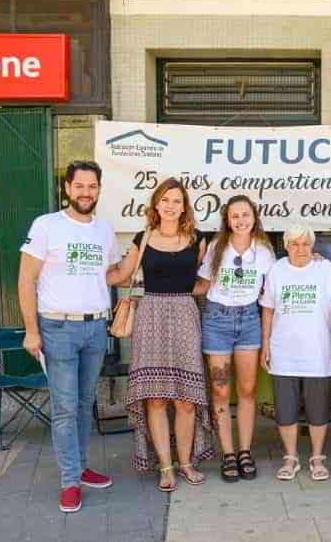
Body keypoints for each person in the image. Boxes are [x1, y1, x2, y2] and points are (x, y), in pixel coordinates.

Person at [19, 161, 119, 513]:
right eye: (79, 186)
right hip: (57, 328)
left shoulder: (105, 230)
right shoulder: (47, 225)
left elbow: (108, 275)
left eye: (92, 187)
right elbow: (26, 279)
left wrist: (142, 249)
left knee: (83, 401)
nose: (86, 193)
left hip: (95, 327)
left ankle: (80, 467)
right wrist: (32, 330)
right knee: (64, 408)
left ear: (99, 190)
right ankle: (69, 482)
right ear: (67, 188)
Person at [111, 178, 214, 492]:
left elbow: (205, 281)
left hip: (184, 315)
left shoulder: (199, 240)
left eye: (177, 201)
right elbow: (121, 275)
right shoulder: (142, 239)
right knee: (155, 398)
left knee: (185, 400)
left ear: (184, 207)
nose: (171, 205)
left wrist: (182, 292)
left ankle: (185, 462)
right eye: (165, 200)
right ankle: (166, 467)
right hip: (150, 315)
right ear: (156, 204)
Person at [194, 195, 275, 483]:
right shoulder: (217, 247)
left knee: (247, 389)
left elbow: (273, 290)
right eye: (234, 216)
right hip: (217, 320)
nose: (240, 221)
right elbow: (202, 285)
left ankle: (244, 451)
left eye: (245, 215)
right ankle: (227, 453)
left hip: (250, 321)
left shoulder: (264, 251)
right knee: (220, 391)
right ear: (227, 221)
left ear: (255, 217)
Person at [259, 223, 331, 482]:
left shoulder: (325, 269)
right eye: (294, 244)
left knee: (318, 410)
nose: (300, 249)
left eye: (306, 244)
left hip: (318, 352)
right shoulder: (277, 270)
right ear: (285, 246)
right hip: (284, 351)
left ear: (313, 246)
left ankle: (317, 457)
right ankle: (291, 457)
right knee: (285, 409)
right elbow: (268, 310)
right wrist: (266, 344)